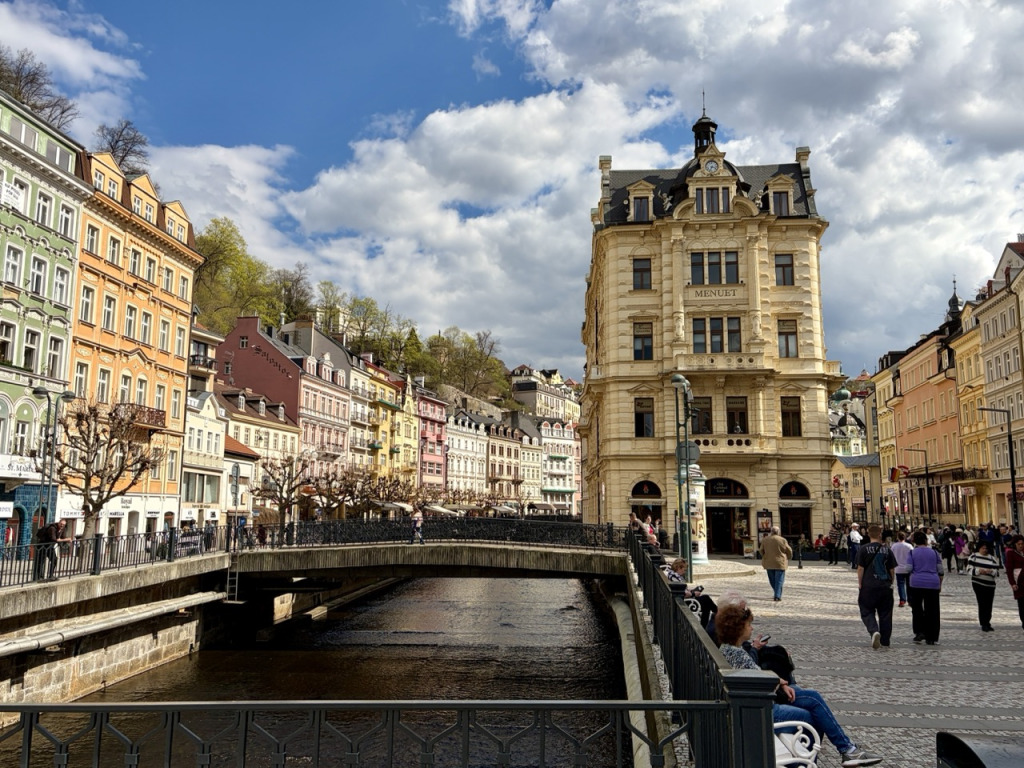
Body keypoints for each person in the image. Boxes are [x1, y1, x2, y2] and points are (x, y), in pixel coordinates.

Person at [714, 603, 883, 767]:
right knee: (811, 717)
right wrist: (779, 681)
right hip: (760, 710)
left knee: (812, 698)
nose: (751, 628)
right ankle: (840, 752)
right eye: (749, 624)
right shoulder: (737, 653)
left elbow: (756, 676)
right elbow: (762, 681)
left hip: (755, 703)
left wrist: (779, 683)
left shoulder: (729, 649)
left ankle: (846, 750)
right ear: (738, 628)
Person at [856, 524, 896, 649]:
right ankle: (885, 640)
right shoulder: (887, 550)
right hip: (885, 586)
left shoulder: (863, 549)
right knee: (886, 614)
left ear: (868, 534)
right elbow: (892, 570)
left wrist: (860, 583)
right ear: (880, 534)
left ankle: (874, 631)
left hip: (869, 585)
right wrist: (891, 583)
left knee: (866, 610)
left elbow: (860, 568)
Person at [906, 529, 944, 645]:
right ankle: (932, 636)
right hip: (932, 583)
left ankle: (919, 632)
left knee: (917, 608)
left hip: (916, 583)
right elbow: (941, 571)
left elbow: (908, 569)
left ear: (914, 541)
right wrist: (940, 584)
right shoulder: (934, 553)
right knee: (932, 610)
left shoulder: (912, 553)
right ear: (926, 540)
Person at [661, 558, 717, 626]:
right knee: (706, 599)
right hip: (684, 602)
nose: (684, 572)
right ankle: (718, 613)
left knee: (706, 603)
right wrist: (693, 593)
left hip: (683, 599)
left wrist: (691, 591)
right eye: (684, 570)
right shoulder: (674, 577)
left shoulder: (673, 574)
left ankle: (707, 623)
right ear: (679, 568)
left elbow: (682, 590)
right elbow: (682, 593)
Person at [966, 540, 1001, 632]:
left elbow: (997, 572)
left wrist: (991, 571)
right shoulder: (973, 556)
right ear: (979, 548)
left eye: (986, 548)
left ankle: (988, 622)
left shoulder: (992, 558)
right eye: (983, 548)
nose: (985, 550)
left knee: (989, 604)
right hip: (978, 583)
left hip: (990, 584)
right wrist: (979, 571)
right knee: (982, 603)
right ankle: (983, 623)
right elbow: (969, 569)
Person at [759, 525, 792, 602]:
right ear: (778, 532)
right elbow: (789, 550)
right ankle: (777, 595)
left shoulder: (765, 540)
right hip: (780, 562)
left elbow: (761, 550)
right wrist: (788, 557)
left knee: (772, 580)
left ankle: (777, 593)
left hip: (769, 562)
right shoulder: (782, 540)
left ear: (771, 532)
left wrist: (764, 556)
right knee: (779, 580)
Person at [1004, 534, 1024, 630]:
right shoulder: (1011, 553)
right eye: (1019, 544)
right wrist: (1012, 583)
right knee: (1022, 603)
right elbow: (1009, 569)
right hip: (1019, 581)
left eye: (1022, 544)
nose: (1021, 546)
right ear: (1015, 544)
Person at [891, 531, 913, 608]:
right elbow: (913, 556)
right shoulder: (909, 546)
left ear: (897, 537)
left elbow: (891, 556)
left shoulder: (894, 546)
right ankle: (910, 600)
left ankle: (902, 600)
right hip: (908, 568)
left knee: (900, 585)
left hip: (898, 568)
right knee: (909, 585)